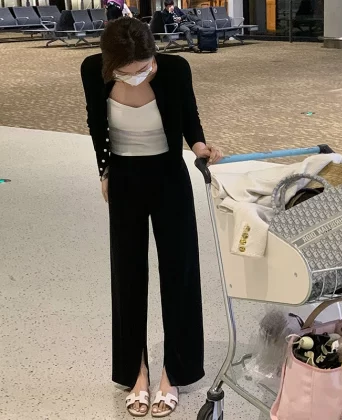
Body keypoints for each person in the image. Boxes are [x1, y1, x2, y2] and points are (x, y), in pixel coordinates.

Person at [80, 17, 222, 418]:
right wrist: (104, 170)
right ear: (110, 64)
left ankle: (174, 372)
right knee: (127, 274)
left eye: (144, 67)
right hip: (124, 178)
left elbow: (189, 116)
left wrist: (200, 147)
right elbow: (96, 122)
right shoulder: (92, 69)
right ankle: (136, 372)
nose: (137, 75)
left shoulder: (175, 68)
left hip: (168, 176)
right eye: (127, 71)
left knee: (180, 272)